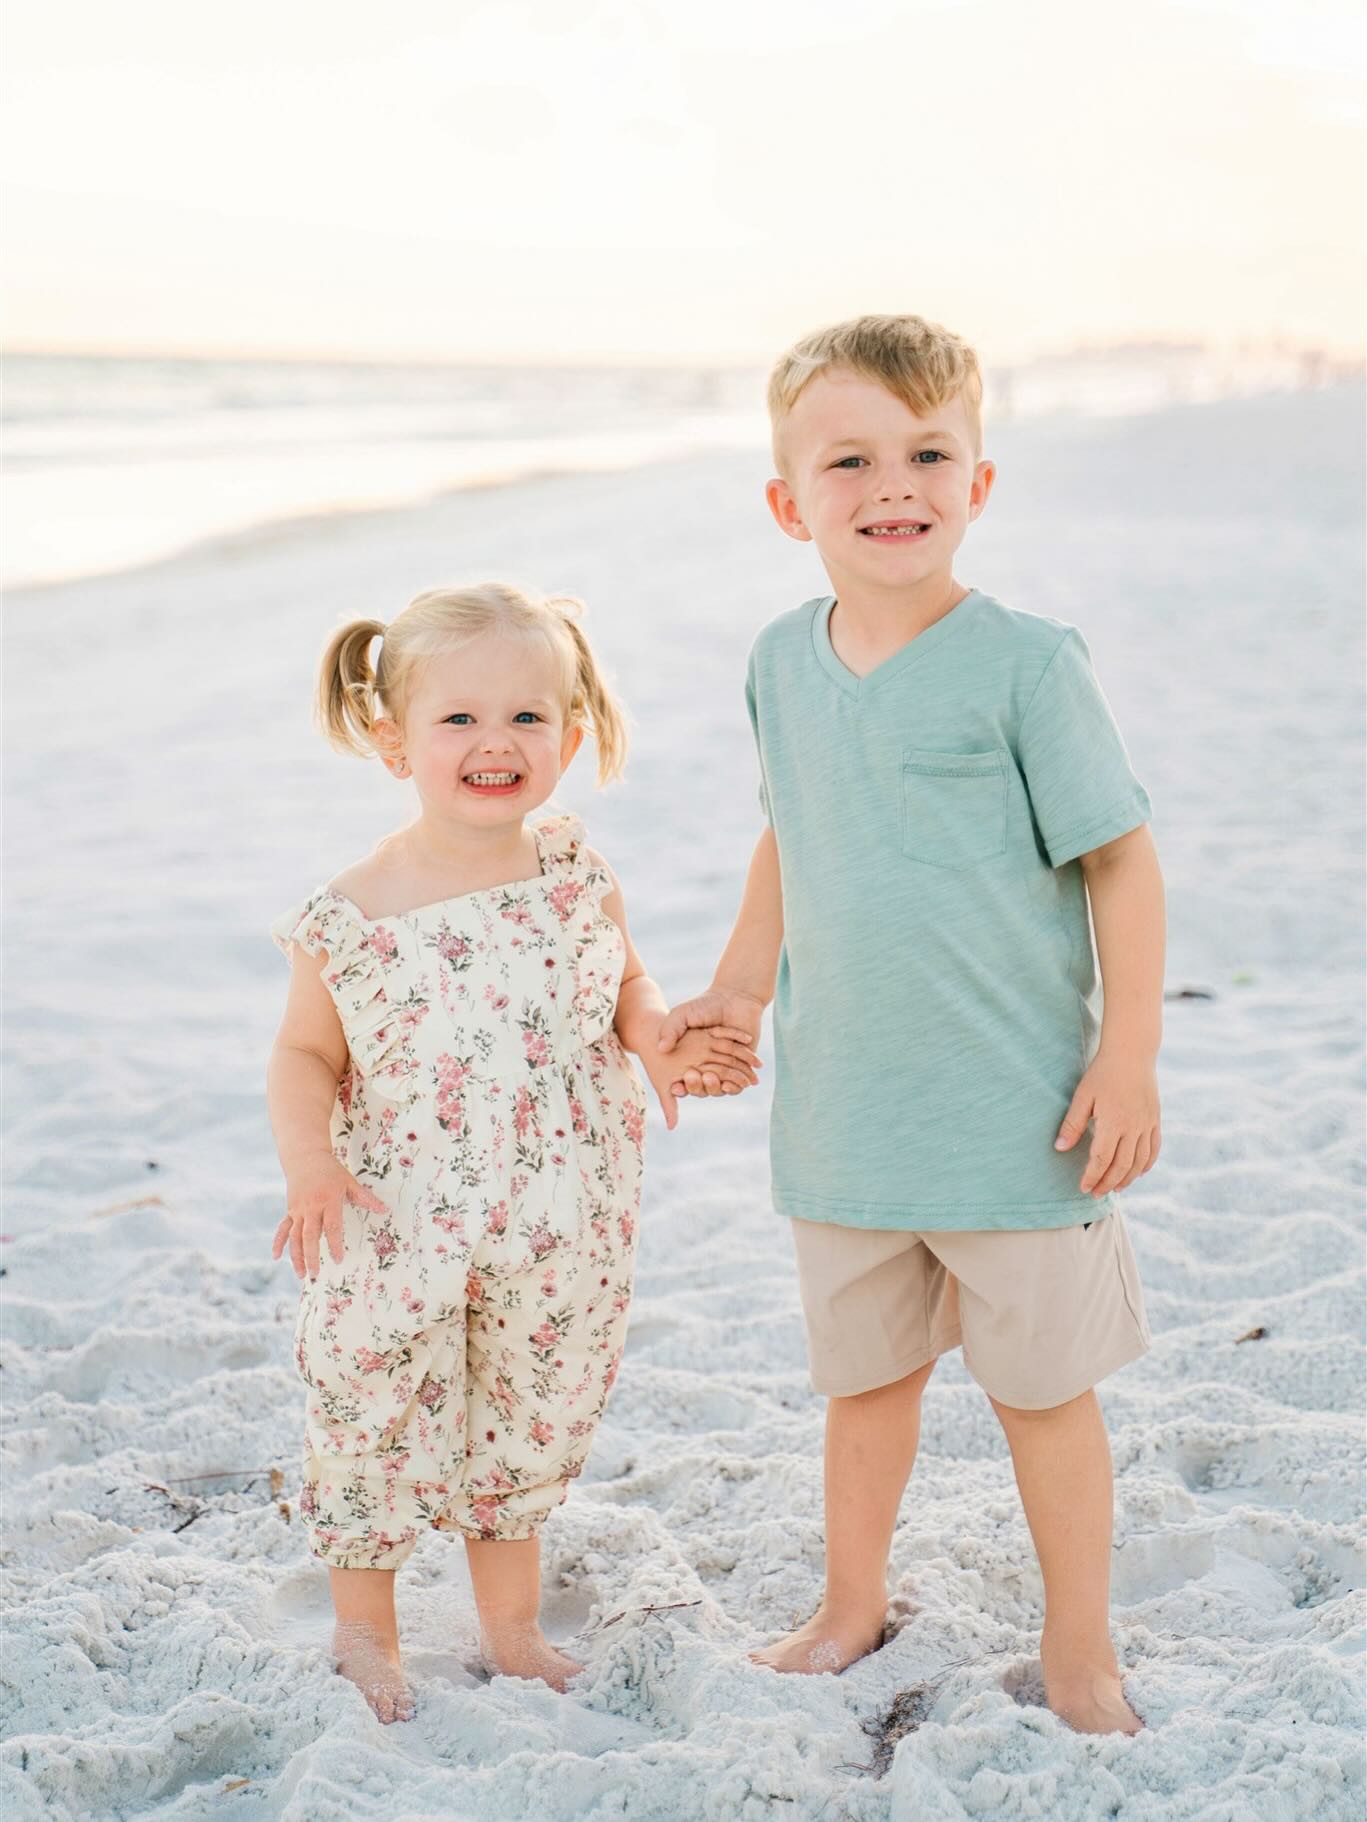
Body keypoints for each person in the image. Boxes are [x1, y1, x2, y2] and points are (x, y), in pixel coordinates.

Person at [660, 315, 1164, 1735]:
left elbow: (1118, 858)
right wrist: (737, 985)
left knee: (1039, 1396)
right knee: (863, 1387)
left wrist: (1125, 1052)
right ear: (787, 501)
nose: (894, 483)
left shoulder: (1022, 663)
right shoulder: (779, 659)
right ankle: (846, 1604)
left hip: (1016, 1116)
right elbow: (787, 836)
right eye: (850, 459)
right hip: (845, 1113)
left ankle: (1079, 1647)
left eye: (927, 451)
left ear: (976, 482)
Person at [266, 582, 760, 1722]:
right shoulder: (354, 911)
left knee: (530, 1408)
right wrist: (309, 1163)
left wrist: (656, 1041)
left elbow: (620, 981)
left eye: (527, 718)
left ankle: (510, 1625)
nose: (496, 743)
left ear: (572, 734)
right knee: (375, 1407)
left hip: (563, 1200)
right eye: (459, 720)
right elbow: (300, 1053)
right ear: (393, 740)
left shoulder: (575, 871)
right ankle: (364, 1627)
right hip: (398, 1213)